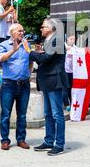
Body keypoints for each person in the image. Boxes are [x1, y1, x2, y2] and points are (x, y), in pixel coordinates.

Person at [23, 18, 69, 156]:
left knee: (57, 114)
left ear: (51, 28)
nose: (41, 29)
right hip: (47, 81)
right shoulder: (48, 41)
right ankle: (49, 141)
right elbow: (46, 57)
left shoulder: (58, 41)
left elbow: (46, 59)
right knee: (48, 114)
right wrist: (38, 53)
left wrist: (29, 52)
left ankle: (59, 144)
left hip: (55, 81)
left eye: (43, 27)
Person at [0, 23, 33, 150]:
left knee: (22, 114)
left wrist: (29, 74)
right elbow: (1, 59)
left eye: (23, 31)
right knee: (6, 114)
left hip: (24, 84)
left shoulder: (26, 45)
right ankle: (5, 140)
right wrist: (14, 50)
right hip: (8, 85)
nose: (22, 33)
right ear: (11, 33)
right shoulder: (4, 45)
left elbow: (30, 60)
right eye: (19, 31)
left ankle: (21, 139)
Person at [63, 34, 77, 111]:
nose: (72, 40)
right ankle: (66, 104)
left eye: (74, 39)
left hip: (72, 71)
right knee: (65, 88)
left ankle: (72, 103)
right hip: (64, 71)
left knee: (71, 88)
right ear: (67, 39)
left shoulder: (75, 48)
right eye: (71, 39)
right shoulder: (64, 47)